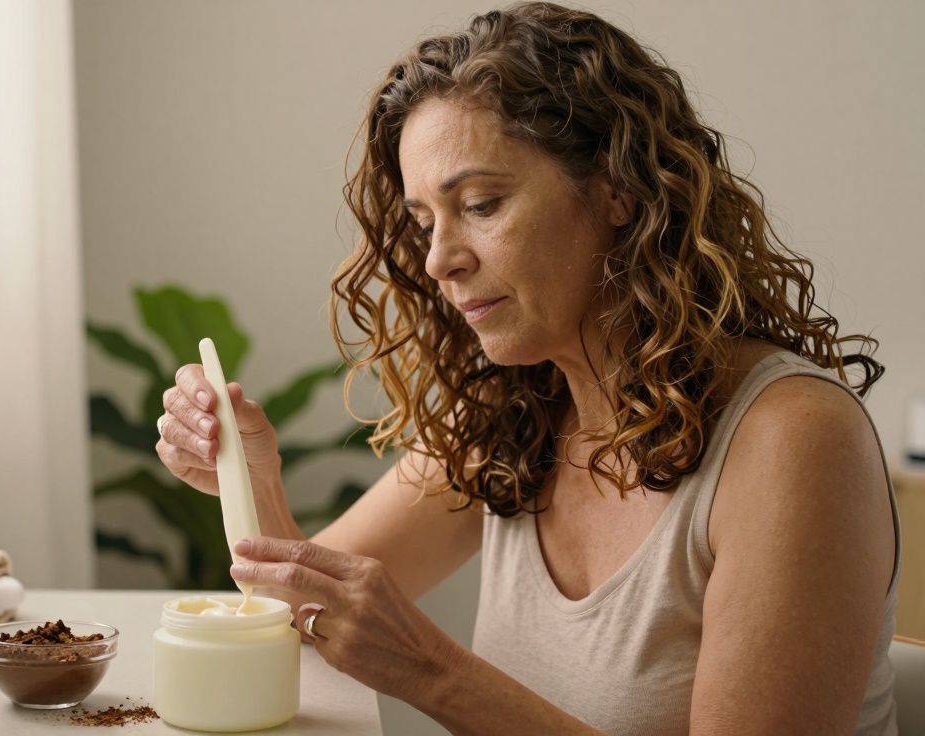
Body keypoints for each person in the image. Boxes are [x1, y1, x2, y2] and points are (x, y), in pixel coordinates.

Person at [153, 3, 900, 733]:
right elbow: (308, 611)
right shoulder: (514, 413)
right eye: (423, 223)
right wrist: (250, 478)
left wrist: (430, 669)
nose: (439, 260)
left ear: (618, 190)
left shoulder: (793, 439)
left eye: (481, 204)